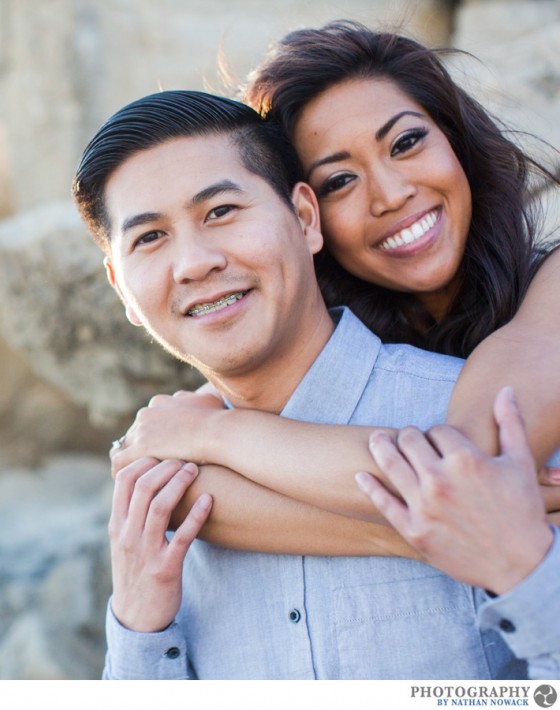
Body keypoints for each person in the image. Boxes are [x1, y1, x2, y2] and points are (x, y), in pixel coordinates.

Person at [72, 89, 560, 678]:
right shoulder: (158, 493)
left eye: (221, 212)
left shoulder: (508, 428)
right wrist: (140, 630)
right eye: (149, 238)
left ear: (305, 218)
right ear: (121, 288)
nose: (194, 262)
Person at [109, 21, 560, 559]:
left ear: (457, 141)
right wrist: (416, 537)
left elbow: (465, 471)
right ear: (304, 218)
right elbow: (184, 499)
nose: (391, 195)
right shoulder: (337, 352)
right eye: (339, 181)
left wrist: (217, 437)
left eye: (407, 142)